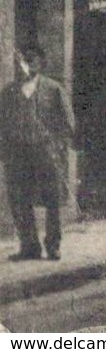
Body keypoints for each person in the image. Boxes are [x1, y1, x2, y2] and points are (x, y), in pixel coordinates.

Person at [0, 46, 74, 261]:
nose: (25, 66)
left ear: (40, 63)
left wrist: (57, 146)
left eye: (30, 61)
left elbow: (68, 124)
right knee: (20, 199)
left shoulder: (53, 88)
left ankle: (53, 245)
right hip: (18, 154)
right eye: (21, 61)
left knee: (52, 199)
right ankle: (29, 245)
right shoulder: (8, 93)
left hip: (46, 152)